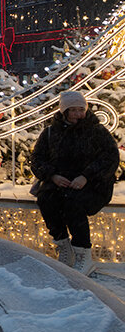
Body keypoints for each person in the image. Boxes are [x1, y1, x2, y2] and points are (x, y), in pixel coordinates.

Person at [31, 90, 119, 275]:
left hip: (94, 184)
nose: (79, 114)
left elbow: (110, 158)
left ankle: (84, 256)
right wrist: (52, 175)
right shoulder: (50, 132)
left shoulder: (96, 131)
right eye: (74, 110)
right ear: (64, 111)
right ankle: (65, 248)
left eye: (82, 109)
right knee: (47, 200)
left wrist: (86, 176)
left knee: (73, 203)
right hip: (60, 182)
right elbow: (37, 159)